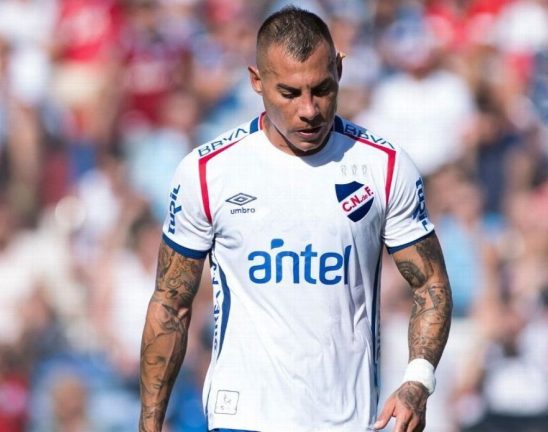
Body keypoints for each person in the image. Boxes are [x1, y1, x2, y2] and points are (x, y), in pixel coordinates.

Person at [139, 6, 452, 432]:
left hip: (346, 421)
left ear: (340, 70)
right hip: (242, 417)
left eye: (321, 89)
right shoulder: (208, 172)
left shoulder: (384, 168)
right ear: (256, 81)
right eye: (289, 93)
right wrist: (150, 422)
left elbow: (430, 283)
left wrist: (418, 381)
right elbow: (171, 303)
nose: (309, 110)